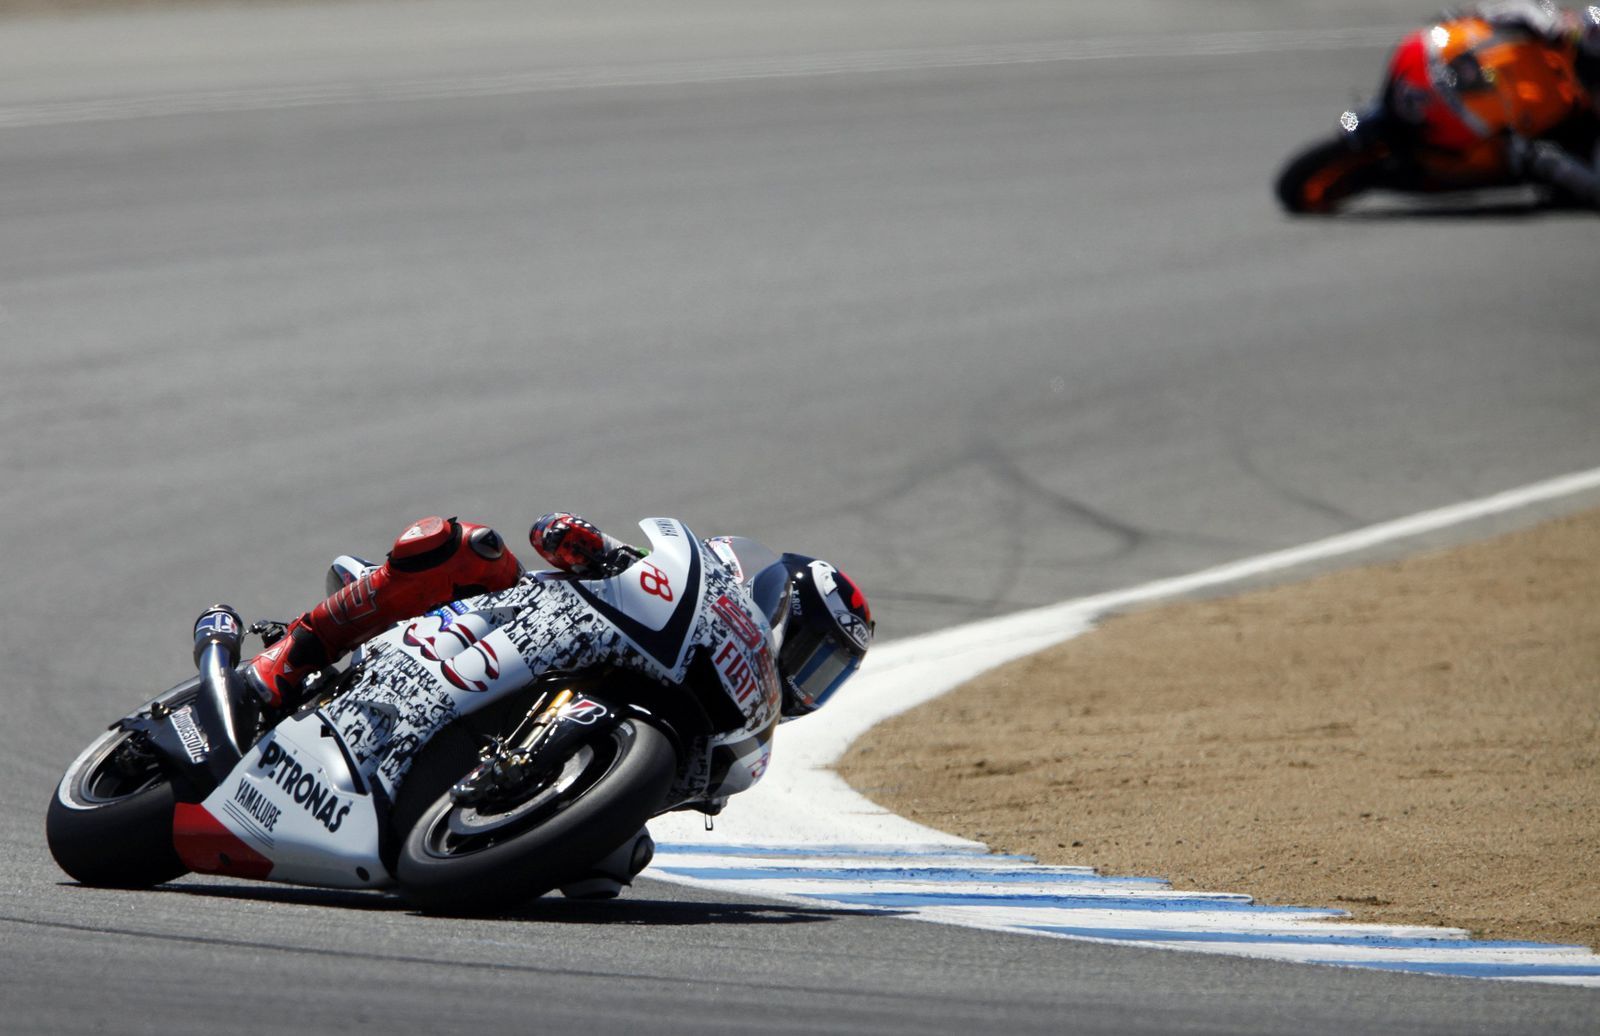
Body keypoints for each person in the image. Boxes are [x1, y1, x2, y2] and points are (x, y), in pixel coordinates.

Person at [246, 511, 873, 720]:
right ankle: (295, 652)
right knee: (467, 546)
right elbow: (557, 535)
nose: (805, 683)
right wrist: (590, 545)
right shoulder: (695, 592)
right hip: (509, 622)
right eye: (811, 657)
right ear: (776, 606)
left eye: (826, 676)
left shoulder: (736, 733)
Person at [1448, 2, 1600, 203]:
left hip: (1539, 129)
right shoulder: (1563, 30)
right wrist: (1472, 16)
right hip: (1502, 74)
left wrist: (1542, 160)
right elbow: (1533, 8)